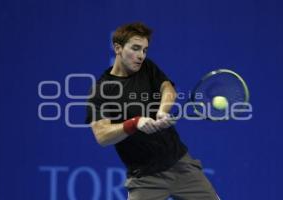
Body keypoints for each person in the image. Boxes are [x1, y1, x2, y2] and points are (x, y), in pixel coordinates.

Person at [86, 22, 220, 200]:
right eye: (135, 48)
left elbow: (167, 89)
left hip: (181, 165)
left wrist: (162, 111)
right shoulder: (101, 90)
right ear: (117, 48)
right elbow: (102, 136)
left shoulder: (147, 68)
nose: (141, 56)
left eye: (144, 50)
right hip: (145, 178)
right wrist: (134, 123)